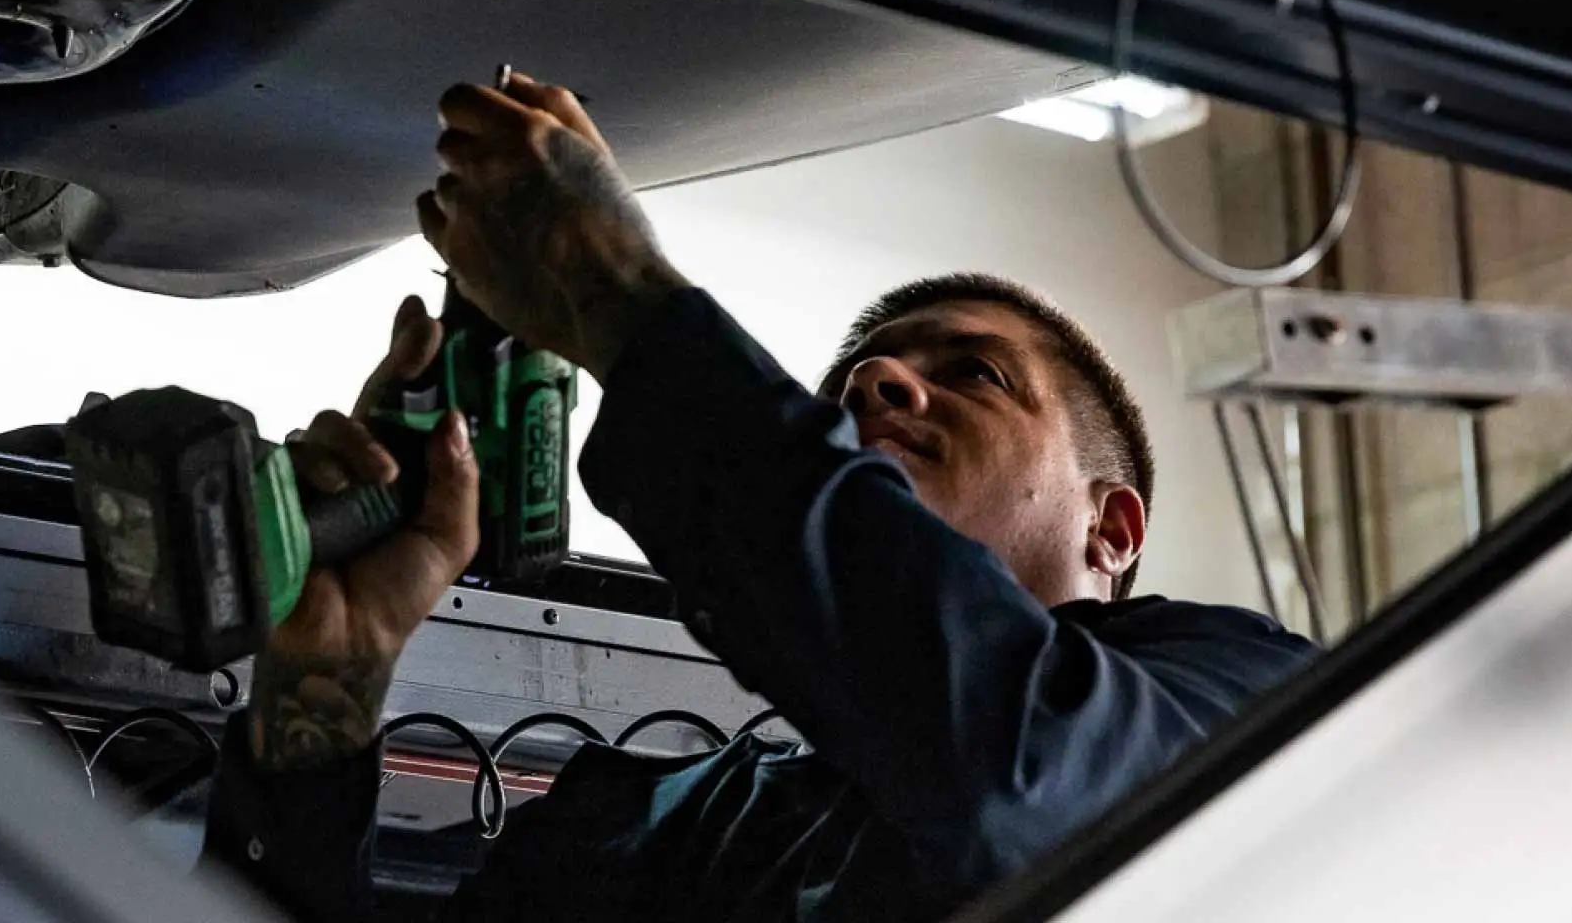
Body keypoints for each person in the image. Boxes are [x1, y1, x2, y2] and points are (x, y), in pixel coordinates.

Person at [199, 76, 1317, 921]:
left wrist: (620, 298)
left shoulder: (1247, 700)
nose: (876, 384)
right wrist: (324, 693)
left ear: (1111, 528)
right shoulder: (665, 827)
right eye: (847, 393)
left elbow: (1030, 788)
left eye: (975, 373)